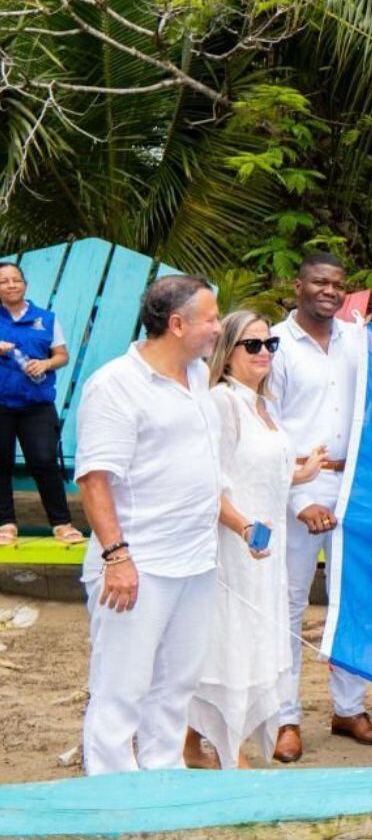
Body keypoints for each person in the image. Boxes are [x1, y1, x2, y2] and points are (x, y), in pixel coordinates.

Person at [75, 275, 223, 775]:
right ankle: (112, 793)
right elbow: (94, 480)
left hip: (197, 560)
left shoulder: (199, 374)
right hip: (138, 565)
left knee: (177, 682)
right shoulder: (115, 385)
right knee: (121, 687)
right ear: (177, 324)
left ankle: (163, 778)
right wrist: (117, 557)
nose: (218, 329)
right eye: (211, 319)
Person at [266, 253, 372, 762]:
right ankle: (285, 718)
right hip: (297, 483)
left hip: (354, 485)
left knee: (351, 600)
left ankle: (349, 709)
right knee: (289, 607)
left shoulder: (358, 340)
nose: (330, 291)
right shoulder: (272, 345)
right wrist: (298, 497)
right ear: (297, 285)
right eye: (319, 282)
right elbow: (267, 423)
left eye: (338, 284)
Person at [185, 312, 326, 769]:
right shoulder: (223, 402)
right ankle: (233, 752)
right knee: (230, 642)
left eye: (270, 344)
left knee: (252, 638)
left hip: (268, 544)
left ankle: (192, 744)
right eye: (252, 345)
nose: (264, 352)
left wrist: (301, 472)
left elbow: (263, 469)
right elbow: (210, 482)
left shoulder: (264, 404)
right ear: (228, 351)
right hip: (236, 541)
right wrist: (243, 526)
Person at [0, 261, 79, 546]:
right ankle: (5, 524)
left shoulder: (45, 318)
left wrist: (45, 363)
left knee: (45, 461)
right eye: (3, 281)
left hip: (37, 405)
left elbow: (62, 355)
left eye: (15, 280)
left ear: (25, 284)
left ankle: (61, 523)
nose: (10, 285)